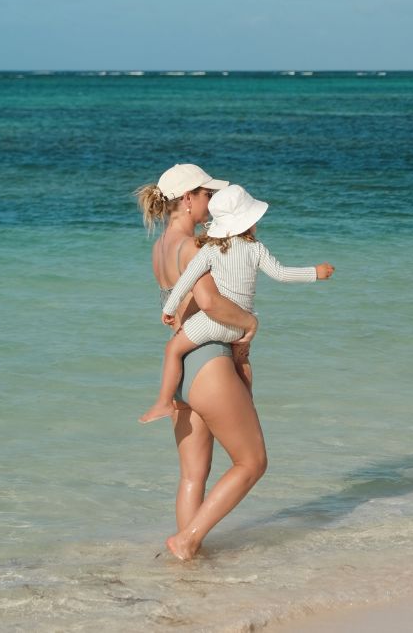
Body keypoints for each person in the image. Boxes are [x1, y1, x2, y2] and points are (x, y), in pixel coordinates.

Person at [135, 163, 265, 560]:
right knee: (251, 462)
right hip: (208, 362)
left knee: (192, 476)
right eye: (207, 194)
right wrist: (250, 323)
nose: (212, 202)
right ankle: (187, 540)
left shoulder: (160, 248)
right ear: (188, 198)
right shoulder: (192, 247)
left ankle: (187, 566)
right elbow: (210, 303)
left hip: (181, 372)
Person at [140, 184, 334, 425]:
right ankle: (246, 402)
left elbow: (187, 279)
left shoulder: (209, 250)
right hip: (240, 324)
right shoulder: (256, 249)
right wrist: (315, 272)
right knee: (241, 360)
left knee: (173, 349)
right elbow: (282, 274)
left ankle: (164, 402)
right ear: (248, 222)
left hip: (215, 321)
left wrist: (169, 308)